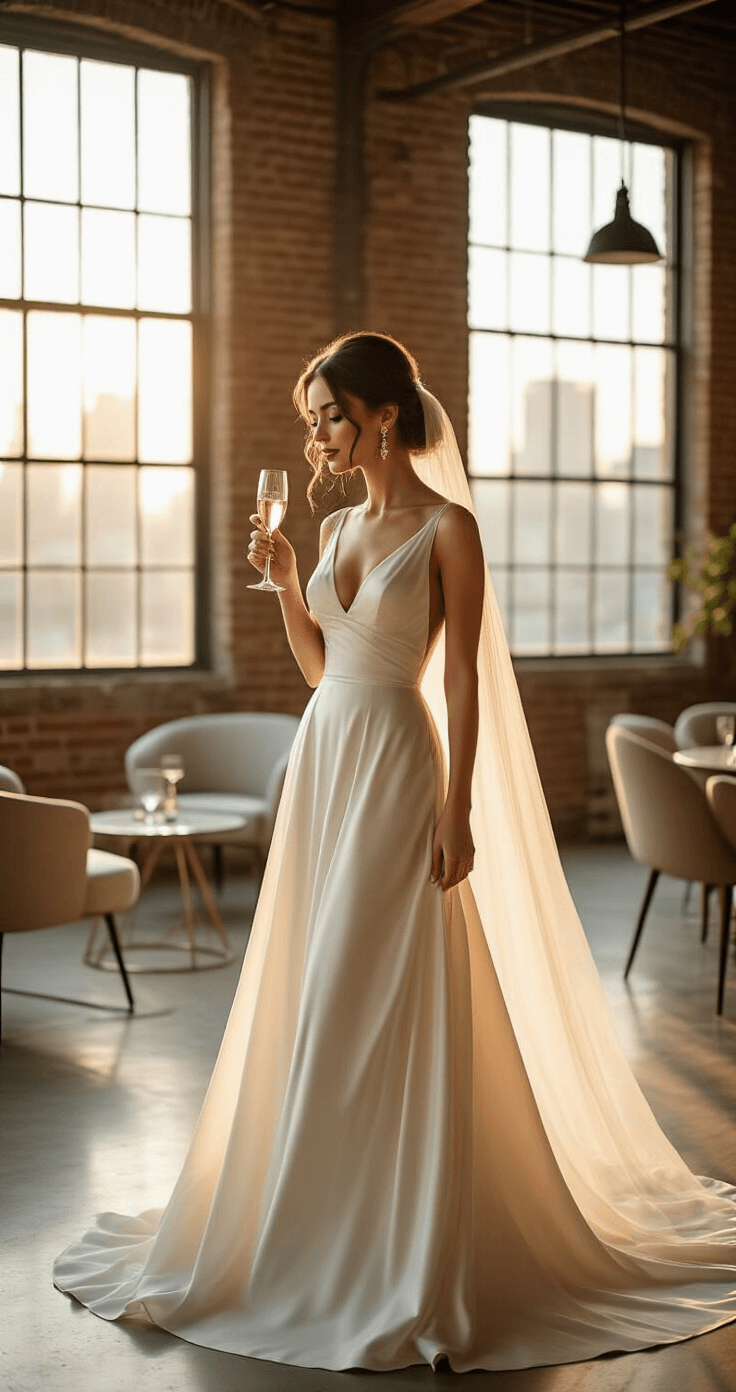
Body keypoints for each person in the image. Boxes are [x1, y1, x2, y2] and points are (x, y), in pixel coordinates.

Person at [55, 332, 736, 1373]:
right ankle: (320, 1210)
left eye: (330, 414)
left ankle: (405, 1232)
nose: (318, 432)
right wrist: (288, 581)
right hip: (327, 754)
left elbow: (457, 680)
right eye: (312, 418)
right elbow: (320, 667)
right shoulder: (328, 528)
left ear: (381, 415)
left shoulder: (448, 529)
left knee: (373, 980)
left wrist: (459, 807)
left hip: (397, 764)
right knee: (312, 979)